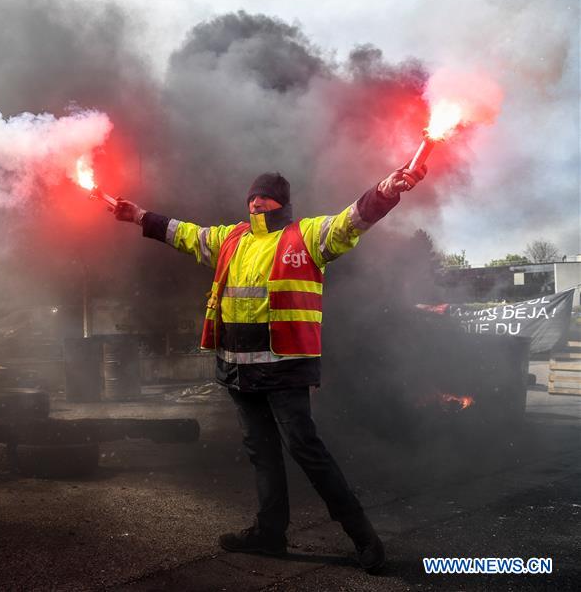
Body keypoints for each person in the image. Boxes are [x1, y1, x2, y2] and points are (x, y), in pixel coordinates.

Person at [112, 165, 427, 573]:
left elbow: (353, 219)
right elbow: (185, 233)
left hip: (284, 367)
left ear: (283, 202)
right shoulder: (231, 238)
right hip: (237, 369)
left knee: (306, 451)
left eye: (265, 196)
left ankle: (363, 537)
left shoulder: (308, 235)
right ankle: (269, 534)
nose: (256, 201)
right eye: (252, 197)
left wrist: (386, 189)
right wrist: (139, 215)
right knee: (262, 453)